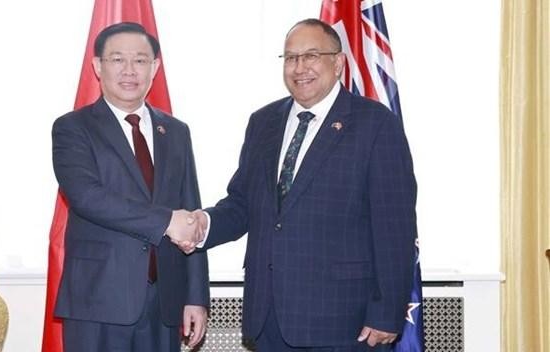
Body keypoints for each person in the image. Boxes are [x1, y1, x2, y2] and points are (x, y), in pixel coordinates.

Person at [189, 18, 417, 351]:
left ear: (337, 63)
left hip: (344, 323)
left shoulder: (375, 124)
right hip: (269, 319)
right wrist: (201, 225)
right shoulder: (263, 122)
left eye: (311, 55)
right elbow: (242, 204)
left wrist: (387, 311)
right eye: (291, 57)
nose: (300, 67)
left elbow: (395, 227)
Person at [51, 22, 209, 352]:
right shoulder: (73, 128)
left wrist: (195, 296)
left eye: (140, 60)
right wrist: (166, 221)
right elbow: (87, 197)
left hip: (163, 303)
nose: (129, 70)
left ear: (155, 67)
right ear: (97, 66)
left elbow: (191, 212)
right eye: (117, 59)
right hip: (97, 301)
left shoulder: (176, 132)